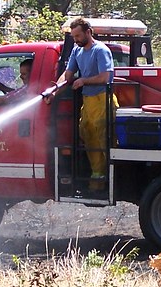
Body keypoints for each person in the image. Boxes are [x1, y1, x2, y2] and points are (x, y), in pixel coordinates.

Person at [48, 17, 116, 192]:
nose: (76, 39)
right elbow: (68, 74)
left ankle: (109, 179)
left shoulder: (101, 50)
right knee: (86, 135)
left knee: (103, 139)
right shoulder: (77, 51)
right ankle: (97, 177)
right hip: (88, 101)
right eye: (73, 36)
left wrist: (84, 80)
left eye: (78, 35)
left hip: (102, 100)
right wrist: (54, 90)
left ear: (88, 32)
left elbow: (105, 77)